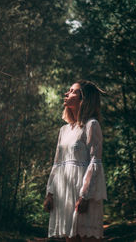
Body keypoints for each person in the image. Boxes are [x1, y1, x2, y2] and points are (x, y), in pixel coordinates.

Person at [44, 80, 107, 242]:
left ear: (84, 99)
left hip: (83, 192)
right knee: (70, 239)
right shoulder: (64, 130)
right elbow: (57, 164)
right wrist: (50, 193)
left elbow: (95, 163)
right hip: (64, 192)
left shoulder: (91, 125)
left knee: (87, 238)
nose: (67, 93)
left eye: (73, 91)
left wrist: (85, 196)